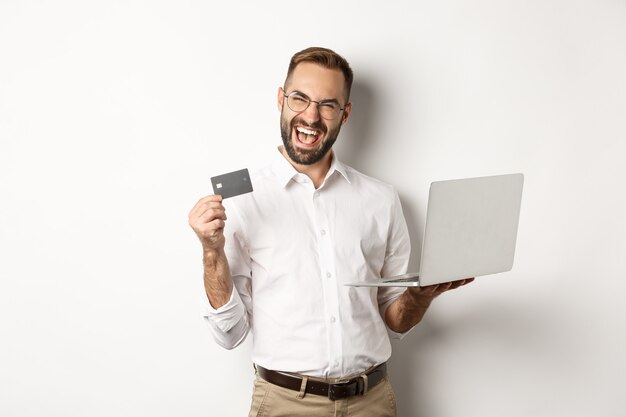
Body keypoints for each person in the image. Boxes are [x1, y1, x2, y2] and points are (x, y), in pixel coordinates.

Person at [188, 47, 473, 417]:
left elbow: (396, 318)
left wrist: (421, 296)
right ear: (281, 99)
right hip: (284, 404)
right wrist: (212, 251)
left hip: (372, 401)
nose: (311, 115)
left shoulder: (381, 199)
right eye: (299, 98)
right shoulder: (241, 202)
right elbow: (229, 334)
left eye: (327, 105)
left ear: (345, 113)